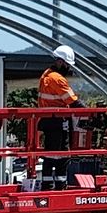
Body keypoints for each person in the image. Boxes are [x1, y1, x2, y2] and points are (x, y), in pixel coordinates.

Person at [35, 44, 81, 183]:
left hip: (49, 120)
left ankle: (48, 184)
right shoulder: (57, 79)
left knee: (50, 155)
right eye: (67, 64)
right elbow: (73, 102)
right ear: (60, 62)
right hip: (58, 120)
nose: (69, 68)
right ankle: (60, 185)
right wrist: (93, 114)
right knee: (62, 155)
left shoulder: (46, 74)